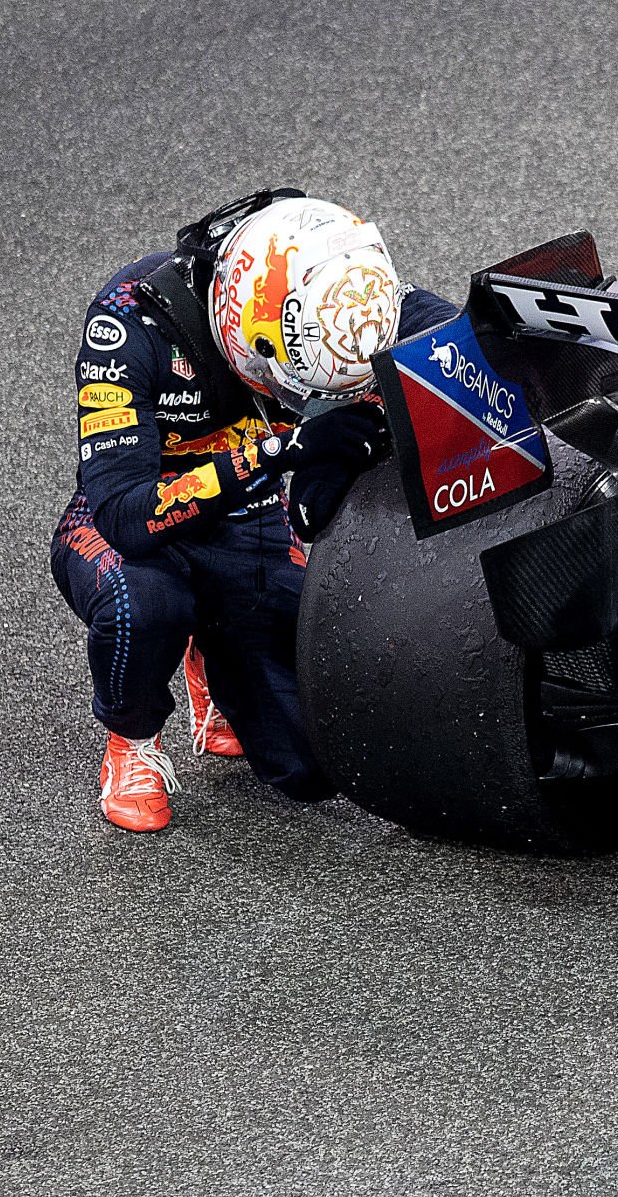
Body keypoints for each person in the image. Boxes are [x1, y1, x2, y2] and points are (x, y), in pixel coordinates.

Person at [51, 191, 457, 831]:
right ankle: (131, 740)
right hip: (136, 531)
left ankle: (213, 659)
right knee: (147, 606)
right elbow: (122, 514)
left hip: (247, 520)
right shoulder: (126, 326)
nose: (307, 399)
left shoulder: (336, 280)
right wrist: (285, 449)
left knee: (308, 770)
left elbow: (461, 342)